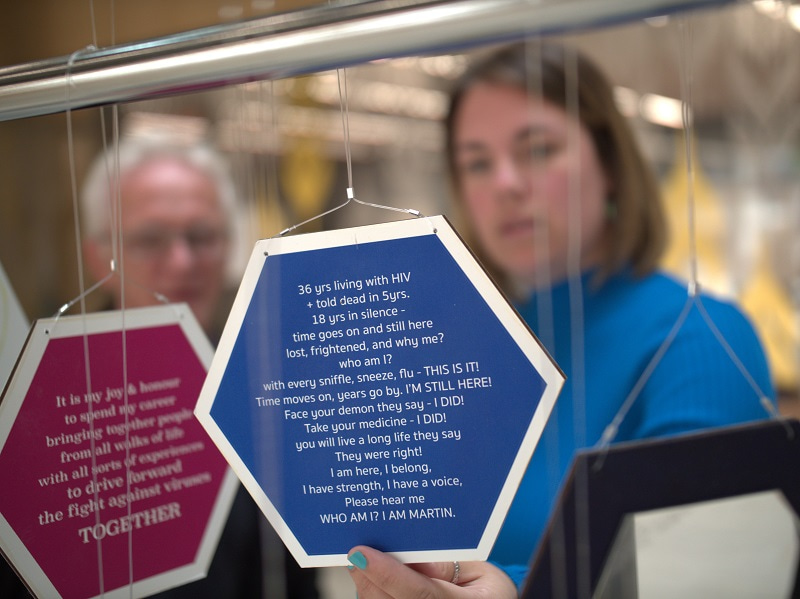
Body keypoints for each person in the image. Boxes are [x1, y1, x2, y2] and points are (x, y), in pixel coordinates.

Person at [347, 40, 775, 598]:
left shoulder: (702, 338)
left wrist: (517, 591)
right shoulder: (457, 351)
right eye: (477, 162)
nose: (504, 184)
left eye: (538, 150)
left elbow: (697, 577)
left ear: (611, 165)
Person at [79, 137, 318, 599]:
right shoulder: (49, 403)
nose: (183, 262)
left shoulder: (264, 386)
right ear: (97, 256)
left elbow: (295, 578)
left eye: (202, 236)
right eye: (150, 238)